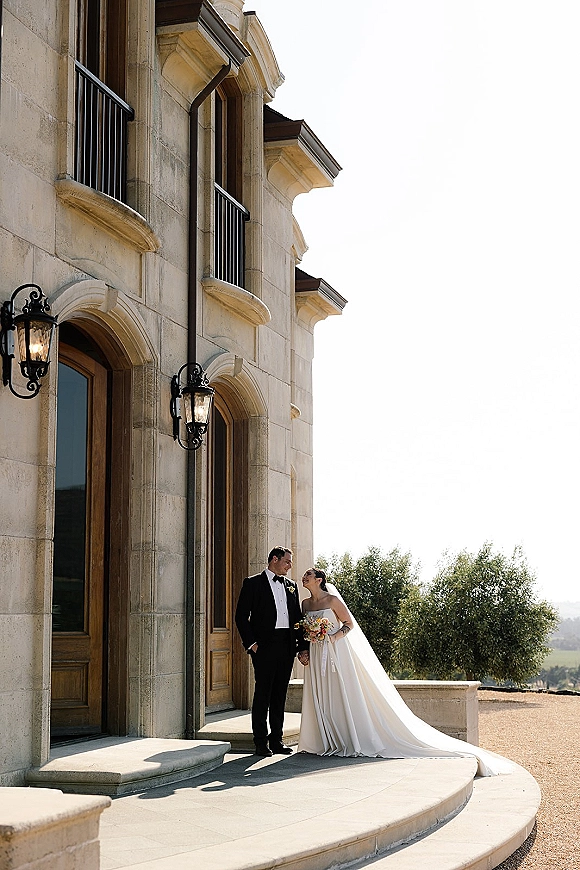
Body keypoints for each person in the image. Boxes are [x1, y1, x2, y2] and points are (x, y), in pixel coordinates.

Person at [297, 568, 513, 777]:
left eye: (309, 574)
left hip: (337, 652)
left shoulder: (333, 600)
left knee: (340, 690)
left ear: (319, 579)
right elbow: (304, 629)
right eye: (305, 574)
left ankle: (349, 736)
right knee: (321, 692)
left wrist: (335, 637)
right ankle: (326, 738)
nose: (304, 577)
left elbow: (348, 624)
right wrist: (307, 646)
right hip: (317, 652)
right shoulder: (305, 603)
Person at [235, 547, 309, 757]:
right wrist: (252, 645)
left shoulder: (292, 586)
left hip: (286, 646)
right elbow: (241, 616)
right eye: (287, 561)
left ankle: (276, 740)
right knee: (263, 694)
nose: (290, 566)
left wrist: (301, 647)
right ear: (274, 559)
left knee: (280, 695)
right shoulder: (253, 583)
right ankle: (260, 742)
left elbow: (297, 620)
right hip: (264, 647)